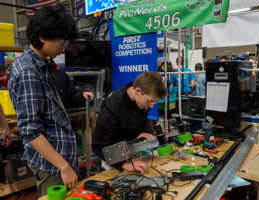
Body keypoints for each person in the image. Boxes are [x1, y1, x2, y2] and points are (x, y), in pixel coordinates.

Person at [8, 4, 80, 196]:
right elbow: (30, 131)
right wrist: (64, 167)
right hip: (52, 166)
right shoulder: (28, 72)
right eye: (62, 41)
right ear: (42, 37)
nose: (64, 48)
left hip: (59, 159)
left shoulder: (41, 65)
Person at [92, 71, 167, 173]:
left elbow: (143, 117)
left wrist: (147, 131)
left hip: (133, 153)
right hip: (113, 159)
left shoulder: (142, 100)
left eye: (155, 102)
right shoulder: (112, 106)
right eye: (149, 101)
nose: (151, 106)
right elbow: (99, 146)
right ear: (137, 91)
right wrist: (124, 165)